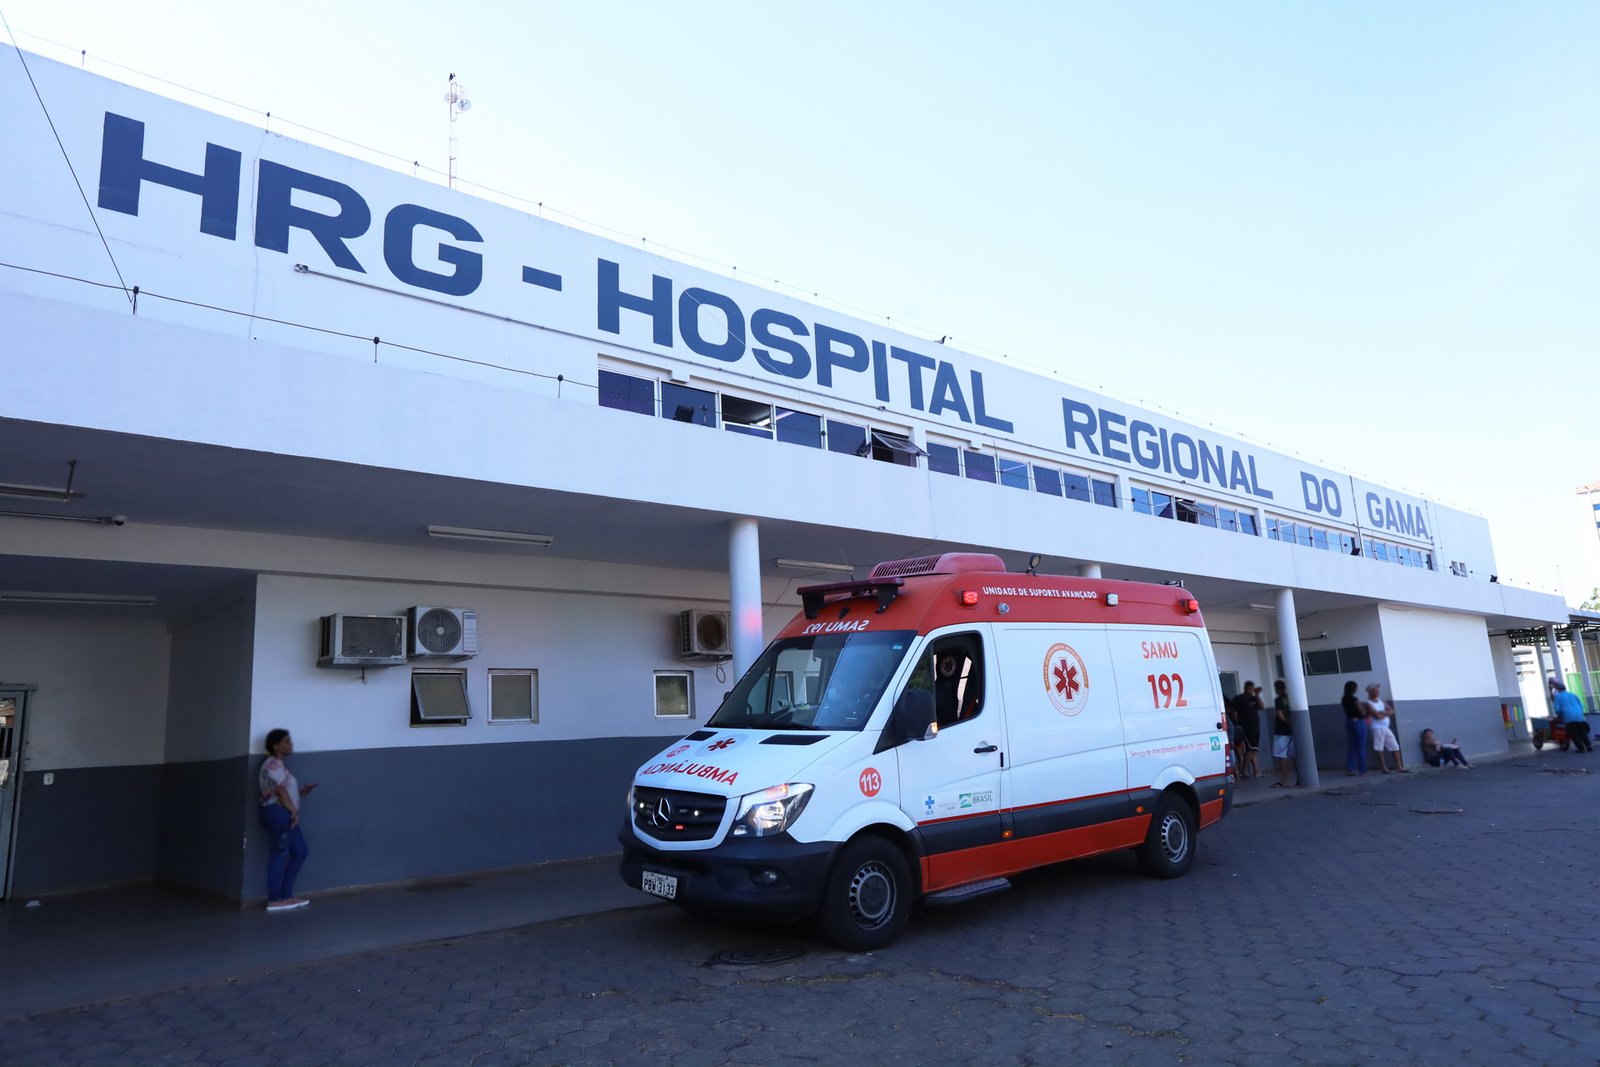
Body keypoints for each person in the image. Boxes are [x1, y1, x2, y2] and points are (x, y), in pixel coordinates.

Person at [259, 728, 317, 911]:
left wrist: (301, 792)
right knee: (279, 853)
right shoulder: (273, 764)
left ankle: (286, 895)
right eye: (286, 741)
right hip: (279, 813)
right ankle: (275, 899)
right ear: (276, 746)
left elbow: (284, 790)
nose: (290, 744)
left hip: (284, 812)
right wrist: (293, 812)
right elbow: (280, 792)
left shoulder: (280, 765)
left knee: (300, 851)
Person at [1362, 682, 1407, 773]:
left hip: (1385, 728)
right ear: (1370, 692)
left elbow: (1392, 711)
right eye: (1375, 690)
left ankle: (1399, 767)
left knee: (1395, 746)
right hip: (1376, 728)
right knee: (1379, 747)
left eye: (1377, 690)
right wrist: (1386, 713)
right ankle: (1384, 768)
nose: (1377, 691)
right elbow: (1377, 716)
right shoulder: (1368, 703)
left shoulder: (1381, 701)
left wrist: (1382, 712)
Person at [1550, 680, 1593, 753]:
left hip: (1568, 717)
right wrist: (1580, 713)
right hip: (1579, 716)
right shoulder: (1573, 695)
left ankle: (1581, 748)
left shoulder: (1557, 697)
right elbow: (1581, 705)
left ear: (1558, 689)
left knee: (1574, 733)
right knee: (1582, 732)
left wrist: (1560, 716)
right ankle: (1588, 746)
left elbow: (1557, 709)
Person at [1270, 679, 1297, 788]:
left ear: (1277, 689)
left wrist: (1287, 723)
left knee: (1282, 755)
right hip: (1293, 731)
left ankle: (1284, 780)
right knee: (1294, 755)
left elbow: (1280, 715)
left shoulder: (1278, 699)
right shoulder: (1290, 698)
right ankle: (1300, 778)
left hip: (1281, 731)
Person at [1340, 680, 1368, 776]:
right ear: (1353, 689)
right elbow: (1363, 713)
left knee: (1352, 746)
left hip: (1349, 722)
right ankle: (1362, 770)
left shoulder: (1344, 699)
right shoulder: (1355, 699)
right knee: (1361, 747)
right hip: (1359, 722)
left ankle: (1349, 769)